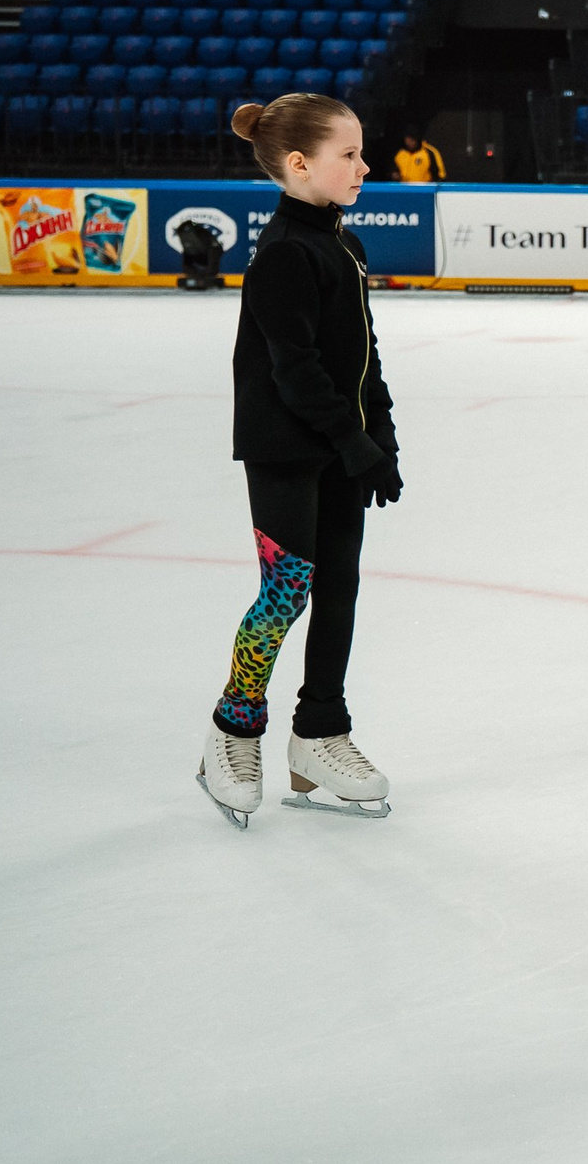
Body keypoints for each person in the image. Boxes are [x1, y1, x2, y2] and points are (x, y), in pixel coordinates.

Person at [197, 94, 404, 829]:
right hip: (286, 447)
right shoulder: (286, 251)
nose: (362, 164)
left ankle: (319, 729)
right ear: (298, 164)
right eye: (347, 153)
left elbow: (362, 358)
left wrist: (381, 436)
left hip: (342, 445)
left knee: (339, 587)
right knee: (286, 589)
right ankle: (233, 730)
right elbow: (296, 371)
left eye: (359, 150)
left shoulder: (343, 245)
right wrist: (354, 442)